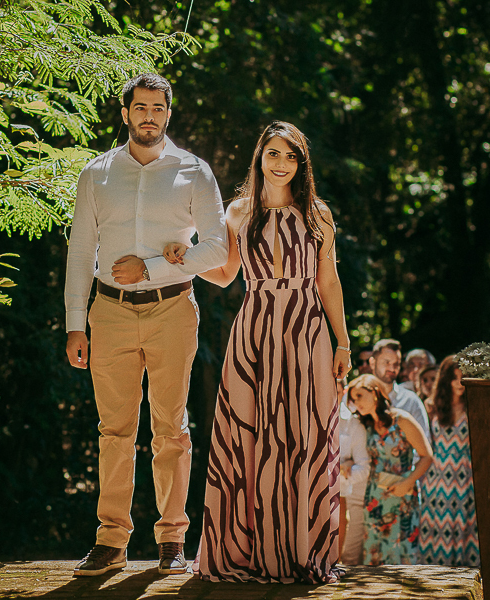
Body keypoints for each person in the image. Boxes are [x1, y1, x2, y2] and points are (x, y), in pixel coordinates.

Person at [165, 121, 350, 583]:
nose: (281, 163)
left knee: (303, 435)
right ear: (260, 156)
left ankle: (299, 551)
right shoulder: (239, 212)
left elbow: (328, 281)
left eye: (291, 156)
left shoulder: (318, 214)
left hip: (307, 330)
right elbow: (227, 275)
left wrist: (342, 340)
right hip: (256, 328)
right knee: (249, 435)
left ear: (301, 164)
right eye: (273, 153)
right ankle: (248, 548)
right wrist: (181, 260)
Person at [64, 73, 228, 576]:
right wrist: (75, 323)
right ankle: (111, 541)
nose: (149, 116)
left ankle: (172, 540)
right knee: (113, 429)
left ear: (169, 114)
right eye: (141, 107)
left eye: (158, 108)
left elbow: (219, 249)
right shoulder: (97, 173)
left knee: (171, 430)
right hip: (108, 314)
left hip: (172, 310)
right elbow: (79, 251)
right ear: (125, 112)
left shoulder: (194, 172)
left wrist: (154, 268)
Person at [346, 374, 433, 566]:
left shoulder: (402, 419)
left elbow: (427, 456)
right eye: (353, 398)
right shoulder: (366, 425)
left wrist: (407, 482)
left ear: (375, 393)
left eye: (359, 395)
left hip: (402, 494)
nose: (356, 402)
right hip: (375, 497)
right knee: (374, 555)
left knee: (402, 557)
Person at [418, 356, 480, 567]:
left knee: (465, 527)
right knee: (436, 530)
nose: (459, 382)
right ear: (445, 380)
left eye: (463, 377)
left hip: (465, 477)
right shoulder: (431, 406)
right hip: (436, 479)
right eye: (453, 378)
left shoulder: (474, 407)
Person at [368, 339, 431, 443]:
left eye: (396, 364)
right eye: (387, 362)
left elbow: (425, 443)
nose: (392, 369)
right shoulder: (360, 397)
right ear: (372, 362)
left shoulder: (411, 401)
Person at [339, 380, 371, 565]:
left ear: (343, 391)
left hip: (340, 498)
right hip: (307, 498)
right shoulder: (306, 417)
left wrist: (341, 472)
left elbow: (363, 468)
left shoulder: (353, 424)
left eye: (335, 392)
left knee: (339, 558)